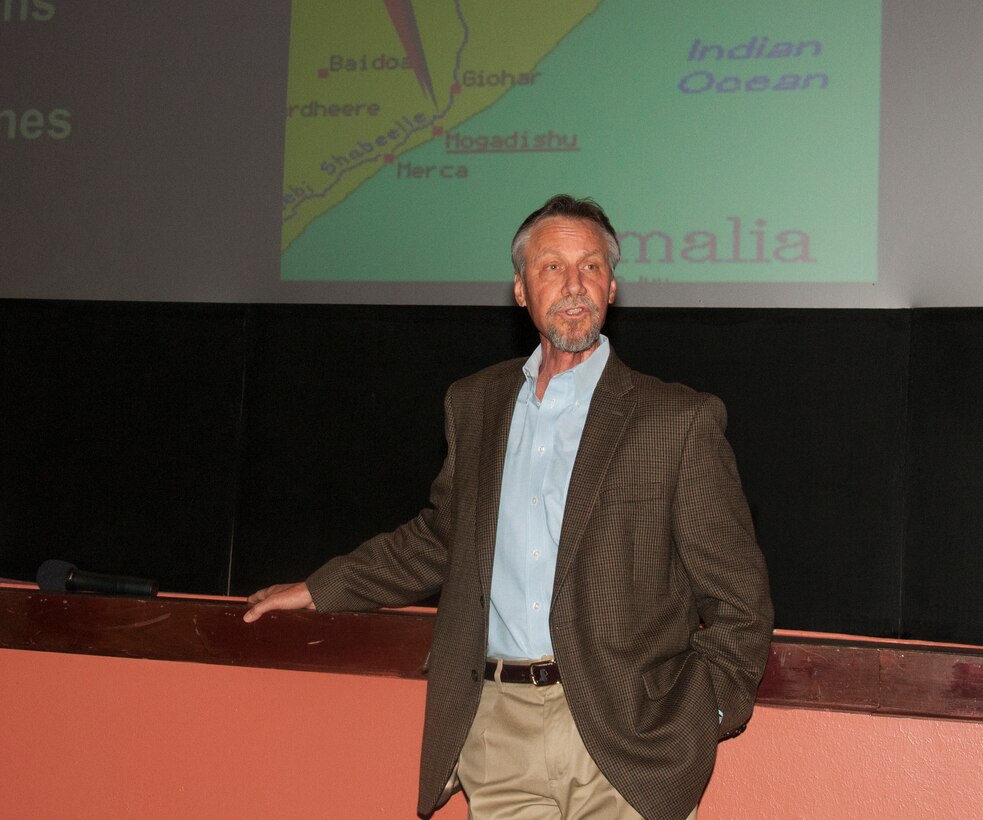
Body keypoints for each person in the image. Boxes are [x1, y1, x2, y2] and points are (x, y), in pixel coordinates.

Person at [244, 194, 773, 819]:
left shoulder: (677, 419)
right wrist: (320, 587)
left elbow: (741, 602)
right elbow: (442, 539)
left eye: (592, 267)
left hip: (627, 740)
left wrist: (704, 716)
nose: (575, 285)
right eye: (553, 267)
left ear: (613, 285)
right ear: (520, 288)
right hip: (497, 731)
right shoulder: (477, 404)